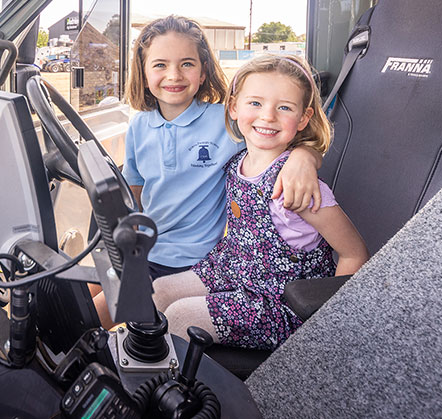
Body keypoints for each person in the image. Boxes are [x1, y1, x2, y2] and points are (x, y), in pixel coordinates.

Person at [93, 15, 323, 328]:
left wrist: (305, 158)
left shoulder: (225, 122)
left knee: (95, 314)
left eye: (187, 64)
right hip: (145, 249)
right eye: (160, 65)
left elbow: (283, 138)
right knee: (83, 287)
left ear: (203, 72)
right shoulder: (138, 126)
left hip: (194, 261)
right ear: (144, 73)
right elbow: (136, 193)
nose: (174, 75)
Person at [151, 53, 369, 348]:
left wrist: (329, 325)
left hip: (279, 301)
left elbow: (354, 253)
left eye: (284, 107)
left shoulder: (298, 188)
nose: (268, 116)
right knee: (159, 292)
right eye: (255, 103)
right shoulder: (237, 159)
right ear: (234, 107)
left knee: (179, 316)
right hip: (233, 269)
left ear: (304, 118)